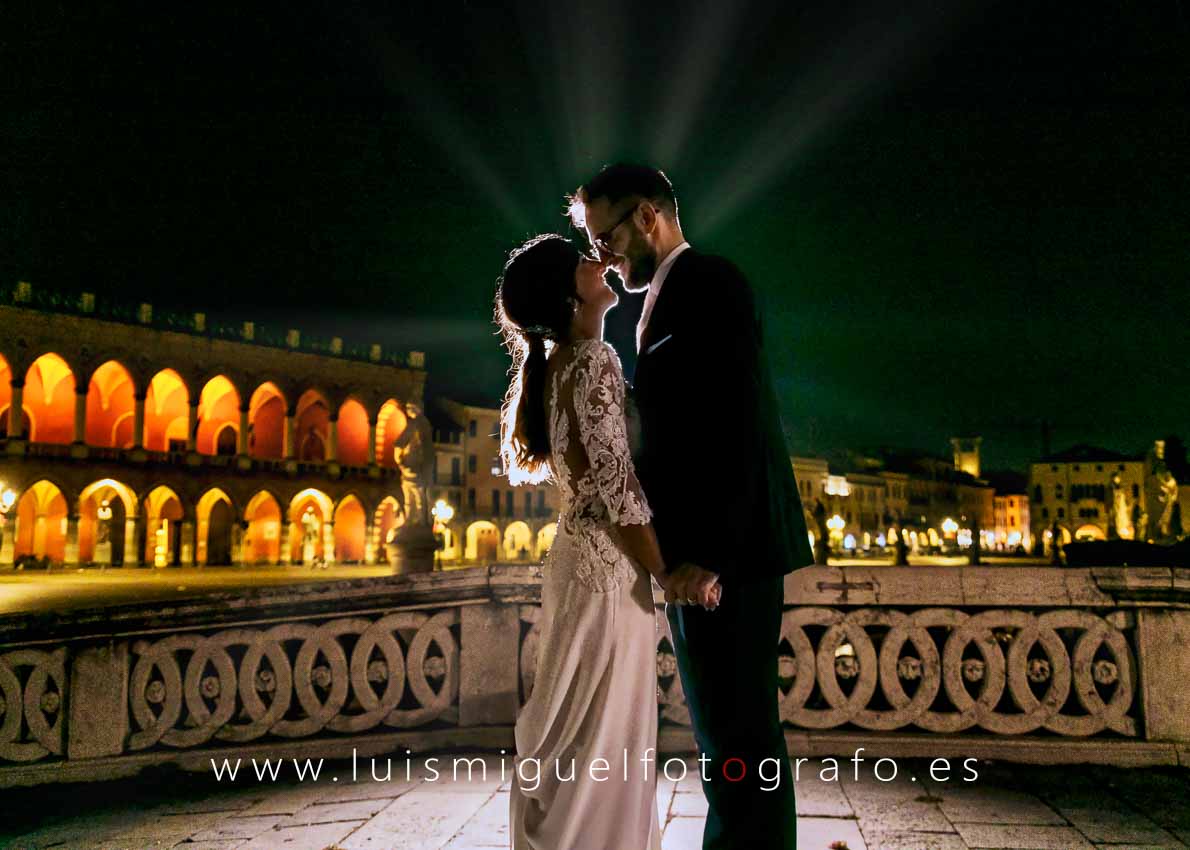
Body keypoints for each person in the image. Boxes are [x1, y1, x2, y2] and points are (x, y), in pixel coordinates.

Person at [570, 163, 814, 849]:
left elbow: (735, 425)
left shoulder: (712, 283)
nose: (605, 258)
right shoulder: (671, 297)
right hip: (703, 559)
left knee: (739, 742)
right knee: (726, 744)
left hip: (723, 560)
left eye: (608, 237)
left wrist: (707, 556)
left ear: (648, 215)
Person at [496, 234, 719, 850]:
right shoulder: (593, 361)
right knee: (606, 732)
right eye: (582, 262)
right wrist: (667, 573)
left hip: (575, 562)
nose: (598, 263)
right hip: (609, 571)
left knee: (580, 726)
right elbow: (620, 491)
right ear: (570, 294)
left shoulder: (555, 368)